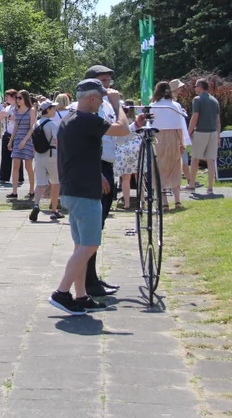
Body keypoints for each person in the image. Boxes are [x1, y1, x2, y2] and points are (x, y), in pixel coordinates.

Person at [50, 79, 145, 315]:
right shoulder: (87, 119)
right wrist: (117, 104)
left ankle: (81, 296)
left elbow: (76, 155)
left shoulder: (69, 120)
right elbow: (122, 129)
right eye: (101, 98)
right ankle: (61, 292)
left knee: (81, 246)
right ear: (92, 98)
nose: (103, 101)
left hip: (72, 189)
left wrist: (97, 174)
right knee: (90, 245)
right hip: (84, 192)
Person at [86, 64, 130, 295]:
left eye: (109, 82)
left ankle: (92, 278)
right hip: (98, 166)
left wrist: (135, 125)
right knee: (92, 228)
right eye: (104, 82)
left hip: (107, 165)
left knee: (98, 226)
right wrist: (117, 104)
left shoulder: (105, 108)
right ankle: (88, 282)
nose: (109, 87)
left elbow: (120, 139)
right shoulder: (93, 108)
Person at [151, 81, 188, 210]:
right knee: (175, 167)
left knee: (159, 169)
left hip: (158, 137)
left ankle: (164, 202)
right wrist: (182, 143)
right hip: (173, 137)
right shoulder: (175, 106)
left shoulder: (153, 106)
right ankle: (177, 201)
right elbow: (179, 127)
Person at [187, 78, 221, 195]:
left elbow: (195, 117)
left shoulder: (197, 99)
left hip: (201, 131)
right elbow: (218, 121)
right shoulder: (215, 100)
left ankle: (191, 184)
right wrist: (218, 136)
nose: (195, 89)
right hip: (213, 132)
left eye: (196, 86)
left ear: (200, 87)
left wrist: (189, 131)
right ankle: (210, 188)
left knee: (195, 158)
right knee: (210, 160)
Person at [30, 100, 62, 221]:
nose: (55, 110)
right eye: (53, 108)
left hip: (39, 156)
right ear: (47, 110)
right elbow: (56, 141)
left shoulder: (36, 124)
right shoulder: (52, 124)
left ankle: (36, 204)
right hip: (51, 154)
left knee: (40, 184)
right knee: (55, 183)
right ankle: (54, 209)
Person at [8, 90, 36, 199]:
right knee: (15, 165)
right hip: (18, 138)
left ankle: (31, 190)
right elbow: (15, 126)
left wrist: (25, 140)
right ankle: (14, 192)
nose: (18, 100)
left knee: (28, 166)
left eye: (20, 98)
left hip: (27, 139)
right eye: (17, 98)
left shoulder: (31, 110)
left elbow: (32, 127)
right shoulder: (16, 110)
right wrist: (11, 140)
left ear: (25, 98)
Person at [114, 101, 141, 210]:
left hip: (123, 150)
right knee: (139, 176)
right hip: (136, 148)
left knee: (126, 178)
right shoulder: (136, 120)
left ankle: (127, 203)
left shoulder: (118, 122)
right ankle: (142, 200)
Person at [0, 89, 20, 186]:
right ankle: (4, 176)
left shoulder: (18, 107)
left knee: (17, 156)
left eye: (8, 96)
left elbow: (18, 118)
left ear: (13, 97)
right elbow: (1, 117)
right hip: (7, 133)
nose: (6, 98)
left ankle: (19, 177)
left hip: (15, 133)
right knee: (5, 156)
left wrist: (9, 115)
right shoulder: (7, 107)